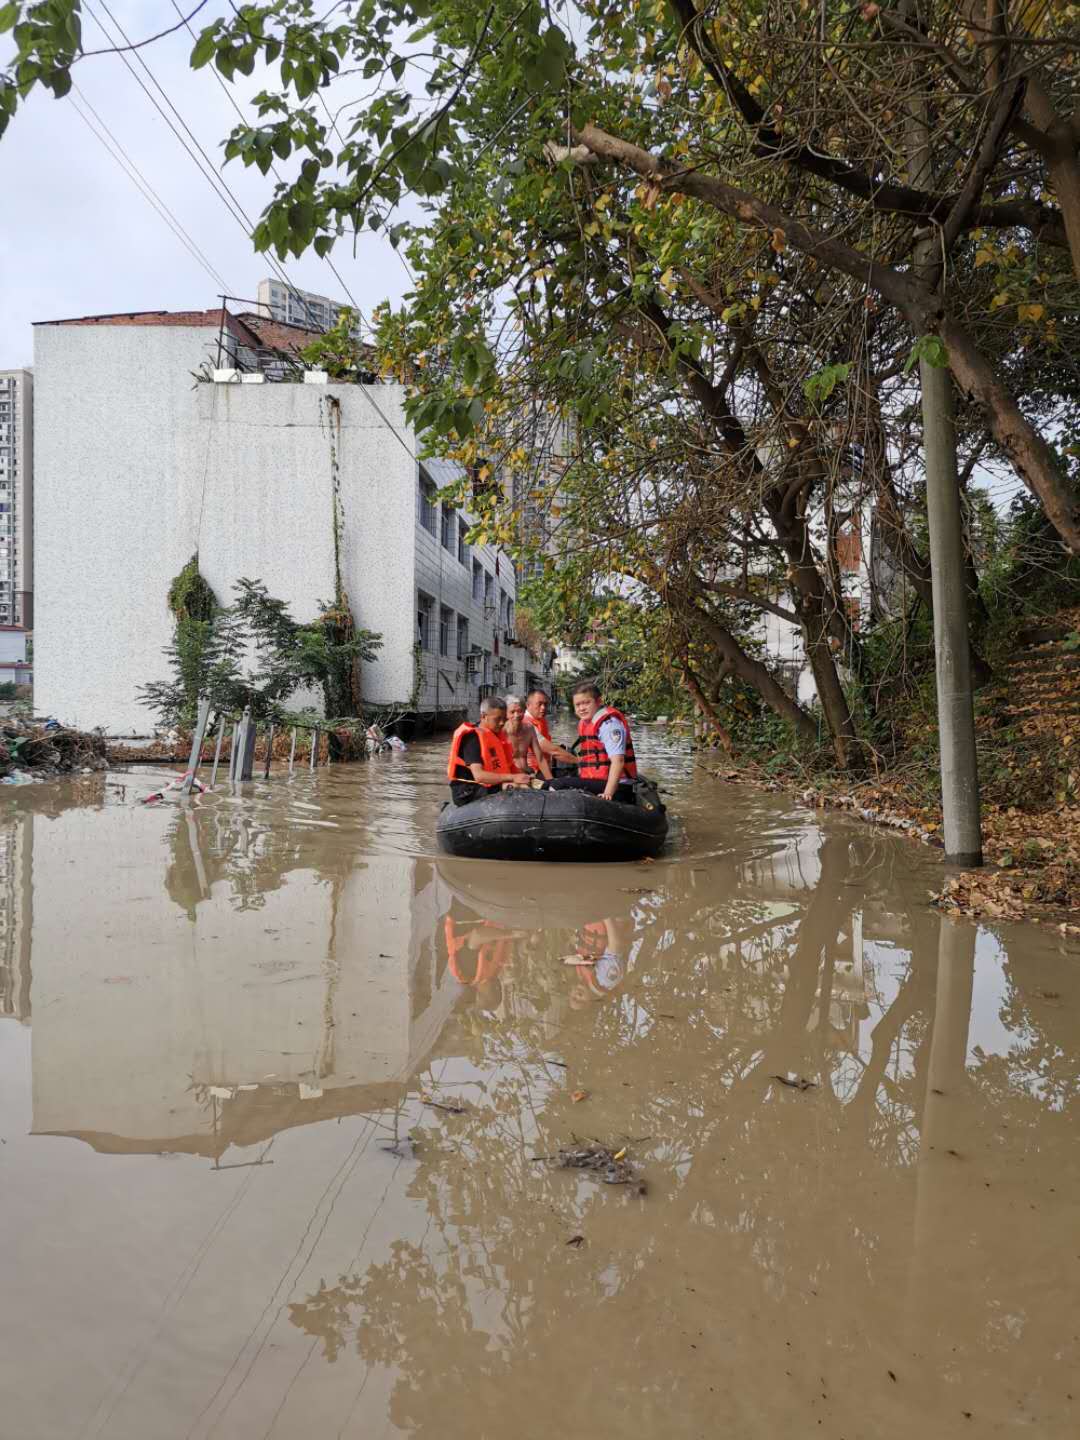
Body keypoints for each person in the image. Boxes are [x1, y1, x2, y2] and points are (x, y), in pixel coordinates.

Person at [548, 681, 638, 802]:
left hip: (619, 786)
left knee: (558, 785)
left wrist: (608, 794)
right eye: (578, 705)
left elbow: (618, 761)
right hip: (597, 780)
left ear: (599, 701)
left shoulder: (609, 725)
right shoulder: (585, 723)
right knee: (549, 783)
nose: (581, 708)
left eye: (586, 703)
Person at [447, 697, 533, 806]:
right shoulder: (472, 738)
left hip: (488, 785)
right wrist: (513, 778)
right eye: (497, 719)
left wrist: (523, 776)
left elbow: (508, 767)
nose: (502, 723)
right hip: (467, 790)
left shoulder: (496, 736)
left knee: (528, 784)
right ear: (484, 717)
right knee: (519, 787)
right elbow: (479, 776)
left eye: (504, 719)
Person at [523, 688, 577, 771]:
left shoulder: (540, 720)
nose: (543, 707)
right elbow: (553, 750)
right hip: (533, 772)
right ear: (528, 705)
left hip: (544, 767)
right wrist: (580, 761)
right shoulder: (526, 724)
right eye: (539, 704)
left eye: (545, 704)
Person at [504, 694, 553, 780]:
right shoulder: (501, 732)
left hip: (528, 774)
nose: (516, 715)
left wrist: (551, 781)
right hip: (510, 777)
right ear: (505, 714)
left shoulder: (529, 729)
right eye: (512, 712)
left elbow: (540, 758)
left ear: (524, 710)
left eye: (520, 711)